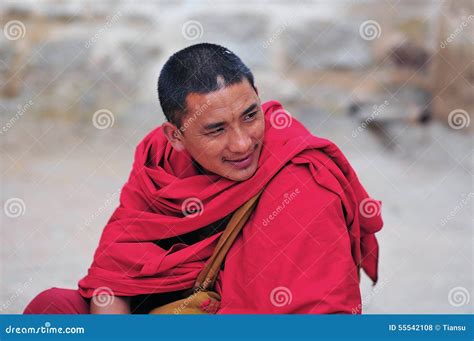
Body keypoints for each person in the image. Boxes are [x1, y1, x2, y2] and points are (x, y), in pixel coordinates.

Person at [24, 43, 383, 314]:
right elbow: (116, 271)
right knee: (52, 309)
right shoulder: (159, 162)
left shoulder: (301, 178)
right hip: (176, 311)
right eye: (216, 130)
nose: (243, 143)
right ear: (176, 136)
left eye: (249, 115)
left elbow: (316, 317)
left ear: (259, 98)